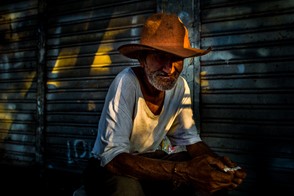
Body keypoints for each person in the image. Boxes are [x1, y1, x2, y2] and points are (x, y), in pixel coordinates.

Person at [82, 12, 246, 196]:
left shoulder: (180, 87)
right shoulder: (126, 83)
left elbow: (191, 142)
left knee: (207, 174)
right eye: (160, 56)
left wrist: (221, 166)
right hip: (110, 165)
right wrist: (184, 171)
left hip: (148, 159)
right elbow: (114, 159)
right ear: (142, 59)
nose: (169, 68)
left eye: (176, 58)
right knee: (127, 190)